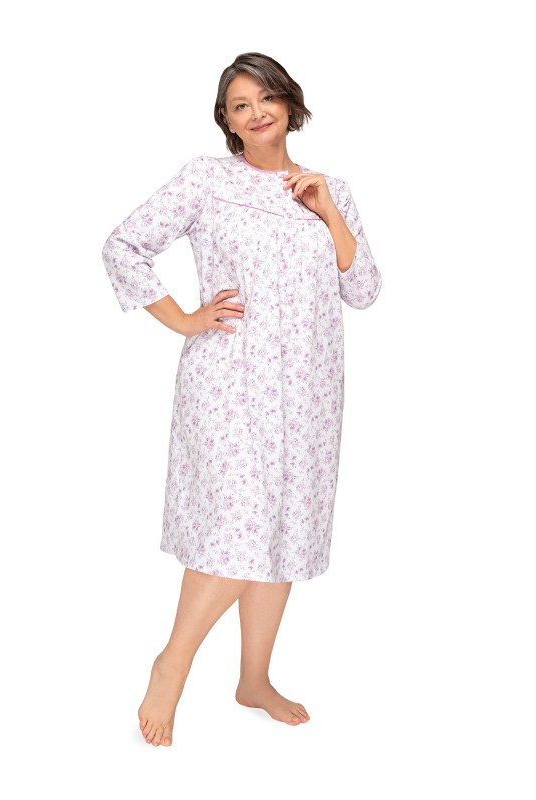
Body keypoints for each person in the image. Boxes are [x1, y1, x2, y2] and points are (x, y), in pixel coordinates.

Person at [102, 52, 382, 747]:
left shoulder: (331, 189)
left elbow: (364, 290)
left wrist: (327, 211)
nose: (256, 112)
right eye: (239, 105)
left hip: (311, 390)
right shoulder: (207, 179)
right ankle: (172, 664)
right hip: (230, 384)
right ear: (227, 122)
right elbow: (124, 245)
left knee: (282, 528)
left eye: (266, 98)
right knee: (236, 527)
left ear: (289, 102)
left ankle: (254, 678)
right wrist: (183, 318)